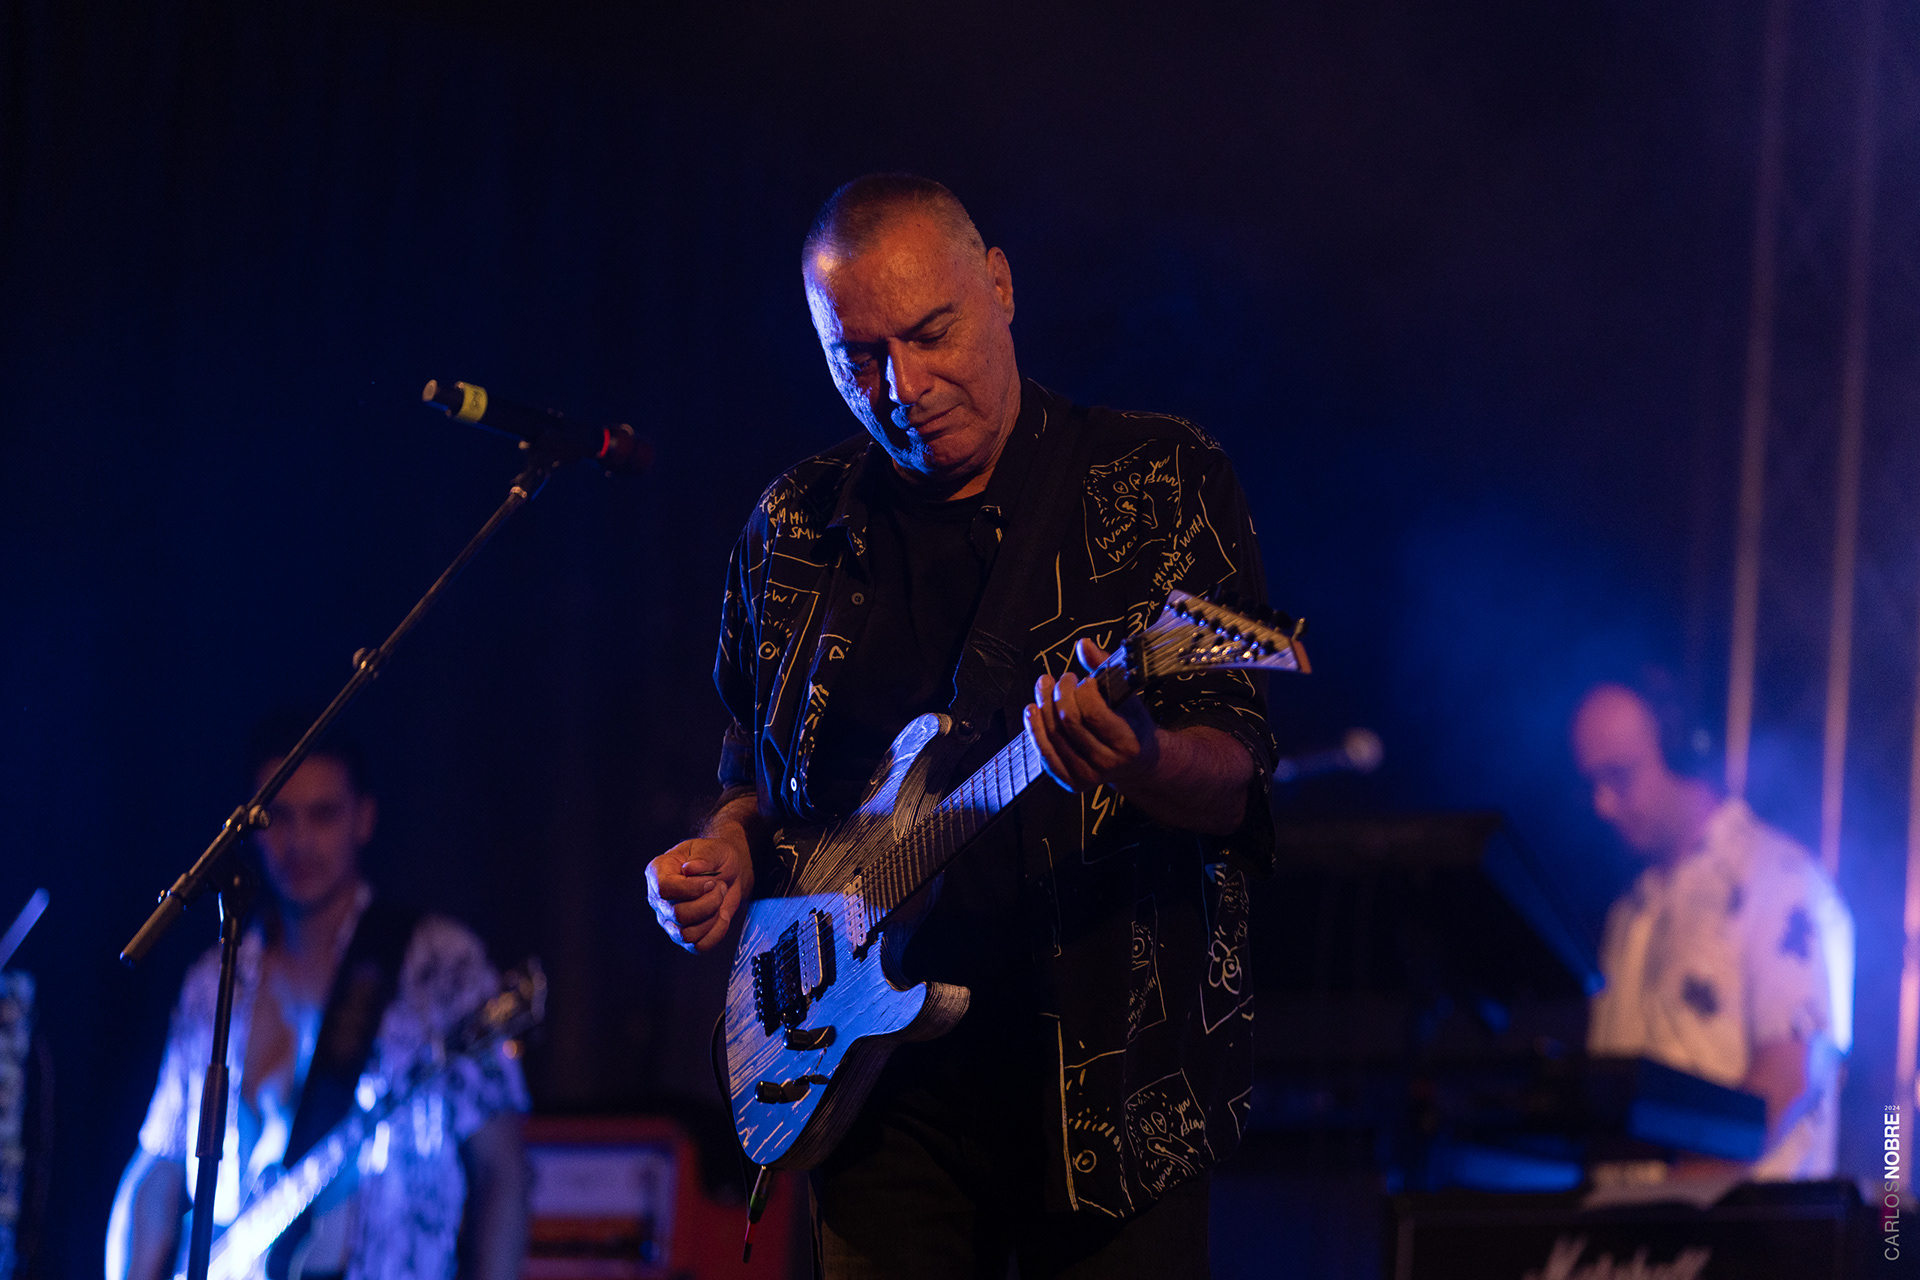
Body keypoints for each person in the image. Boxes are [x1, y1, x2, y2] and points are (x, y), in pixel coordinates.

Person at [645, 174, 1278, 1277]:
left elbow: (1236, 773)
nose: (903, 387)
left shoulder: (1159, 479)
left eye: (931, 334)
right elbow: (751, 766)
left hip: (1114, 1091)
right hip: (872, 1092)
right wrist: (727, 847)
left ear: (1001, 286)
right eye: (858, 358)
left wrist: (1141, 758)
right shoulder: (793, 524)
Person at [106, 722, 530, 1280]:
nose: (299, 841)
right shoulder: (215, 983)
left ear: (364, 818)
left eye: (323, 814)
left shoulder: (438, 965)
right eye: (279, 817)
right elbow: (157, 1168)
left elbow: (502, 1173)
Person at [1570, 678, 1854, 1180]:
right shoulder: (1631, 909)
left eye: (1620, 776)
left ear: (1683, 752)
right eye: (1592, 783)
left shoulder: (1781, 881)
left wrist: (1669, 1199)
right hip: (1634, 1225)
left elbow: (1788, 1081)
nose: (1603, 805)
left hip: (1742, 1225)